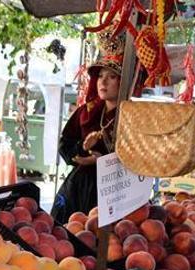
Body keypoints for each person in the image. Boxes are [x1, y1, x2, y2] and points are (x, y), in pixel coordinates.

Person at [51, 28, 123, 224]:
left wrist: (103, 160)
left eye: (112, 76)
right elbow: (64, 145)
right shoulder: (86, 111)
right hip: (79, 187)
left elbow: (138, 158)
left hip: (116, 189)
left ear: (123, 82)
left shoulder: (132, 116)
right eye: (100, 76)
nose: (103, 82)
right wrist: (83, 148)